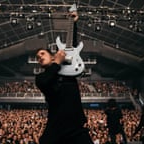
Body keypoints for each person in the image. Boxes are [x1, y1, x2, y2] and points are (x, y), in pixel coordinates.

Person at [35, 6, 94, 144]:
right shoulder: (41, 78)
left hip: (76, 126)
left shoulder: (68, 71)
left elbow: (71, 49)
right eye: (37, 57)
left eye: (42, 54)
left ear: (53, 55)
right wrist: (56, 63)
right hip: (56, 126)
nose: (39, 57)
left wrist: (73, 23)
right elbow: (45, 81)